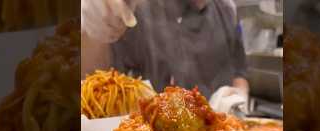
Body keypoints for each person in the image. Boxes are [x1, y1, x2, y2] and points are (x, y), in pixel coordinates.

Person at [81, 0, 249, 112]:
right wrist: (92, 28)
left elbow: (239, 74)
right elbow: (95, 78)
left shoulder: (227, 9)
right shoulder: (139, 8)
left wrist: (237, 98)